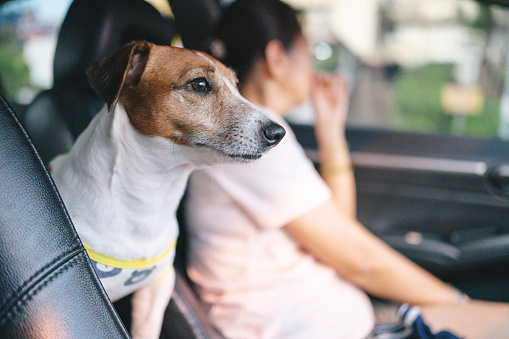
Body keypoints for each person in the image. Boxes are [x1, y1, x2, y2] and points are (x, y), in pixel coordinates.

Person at [184, 0, 509, 338]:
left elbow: (337, 230)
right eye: (308, 51)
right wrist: (457, 303)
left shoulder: (259, 131)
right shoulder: (252, 141)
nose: (312, 67)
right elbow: (358, 259)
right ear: (276, 58)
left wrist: (331, 133)